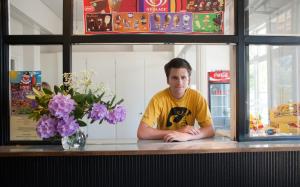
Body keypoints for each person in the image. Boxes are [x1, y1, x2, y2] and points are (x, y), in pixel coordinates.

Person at [137, 58, 215, 142]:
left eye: (183, 77)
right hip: (164, 145)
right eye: (175, 78)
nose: (179, 83)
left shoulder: (198, 97)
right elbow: (142, 132)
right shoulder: (158, 99)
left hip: (188, 146)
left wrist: (187, 136)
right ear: (168, 80)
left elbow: (210, 129)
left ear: (189, 80)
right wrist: (178, 132)